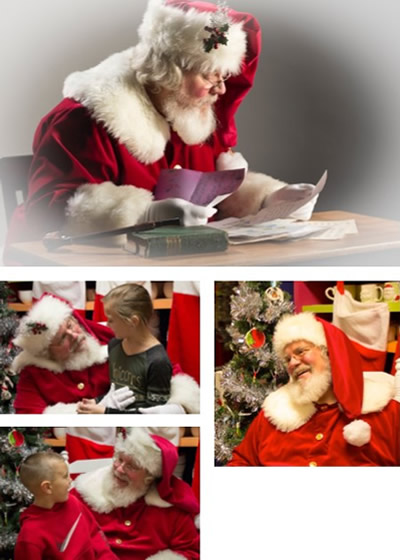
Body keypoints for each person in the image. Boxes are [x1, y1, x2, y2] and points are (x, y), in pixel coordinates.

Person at [5, 0, 317, 253]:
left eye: (225, 77)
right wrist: (144, 216)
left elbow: (215, 188)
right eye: (211, 75)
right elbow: (47, 212)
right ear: (170, 71)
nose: (221, 90)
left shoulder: (191, 113)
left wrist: (270, 199)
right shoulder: (81, 121)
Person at [227, 312, 400, 466]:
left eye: (301, 351)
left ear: (330, 353)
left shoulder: (387, 415)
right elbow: (241, 462)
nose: (293, 363)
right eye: (288, 359)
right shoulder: (274, 415)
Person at [12, 293, 199, 414]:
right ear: (47, 354)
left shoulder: (112, 337)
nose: (75, 335)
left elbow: (170, 374)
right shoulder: (34, 372)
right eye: (61, 339)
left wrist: (175, 406)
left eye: (70, 325)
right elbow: (28, 419)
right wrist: (85, 411)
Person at [71, 428, 200, 559]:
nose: (120, 469)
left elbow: (190, 551)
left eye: (131, 466)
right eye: (119, 459)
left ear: (150, 476)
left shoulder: (172, 510)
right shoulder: (85, 492)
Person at [77, 283, 173, 414]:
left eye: (111, 320)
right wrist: (97, 401)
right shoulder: (114, 345)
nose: (107, 325)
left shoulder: (158, 361)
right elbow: (116, 392)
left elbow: (154, 415)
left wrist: (106, 412)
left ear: (133, 321)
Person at [15, 451, 117, 559]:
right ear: (47, 487)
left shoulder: (74, 502)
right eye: (65, 476)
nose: (70, 480)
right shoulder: (30, 536)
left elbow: (95, 535)